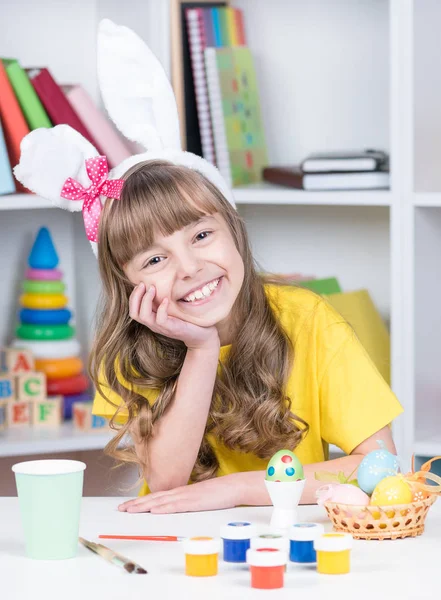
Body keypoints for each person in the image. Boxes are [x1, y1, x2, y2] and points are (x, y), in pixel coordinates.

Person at [14, 19, 403, 515]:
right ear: (126, 281)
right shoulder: (127, 351)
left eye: (201, 235)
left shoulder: (306, 320)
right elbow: (169, 479)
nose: (190, 267)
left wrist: (236, 489)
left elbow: (381, 465)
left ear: (234, 230)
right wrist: (200, 349)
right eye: (154, 259)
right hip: (172, 547)